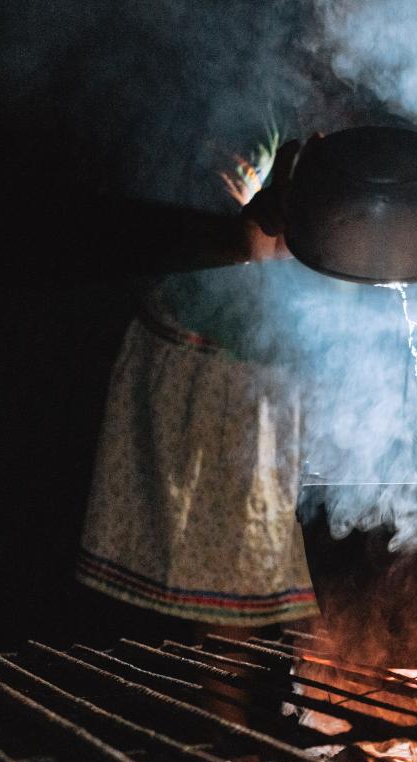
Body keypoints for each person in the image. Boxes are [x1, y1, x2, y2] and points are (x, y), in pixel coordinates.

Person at [76, 139, 320, 647]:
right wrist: (264, 229)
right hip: (213, 370)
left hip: (255, 362)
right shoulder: (255, 106)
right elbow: (228, 233)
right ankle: (218, 722)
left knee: (256, 593)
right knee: (229, 600)